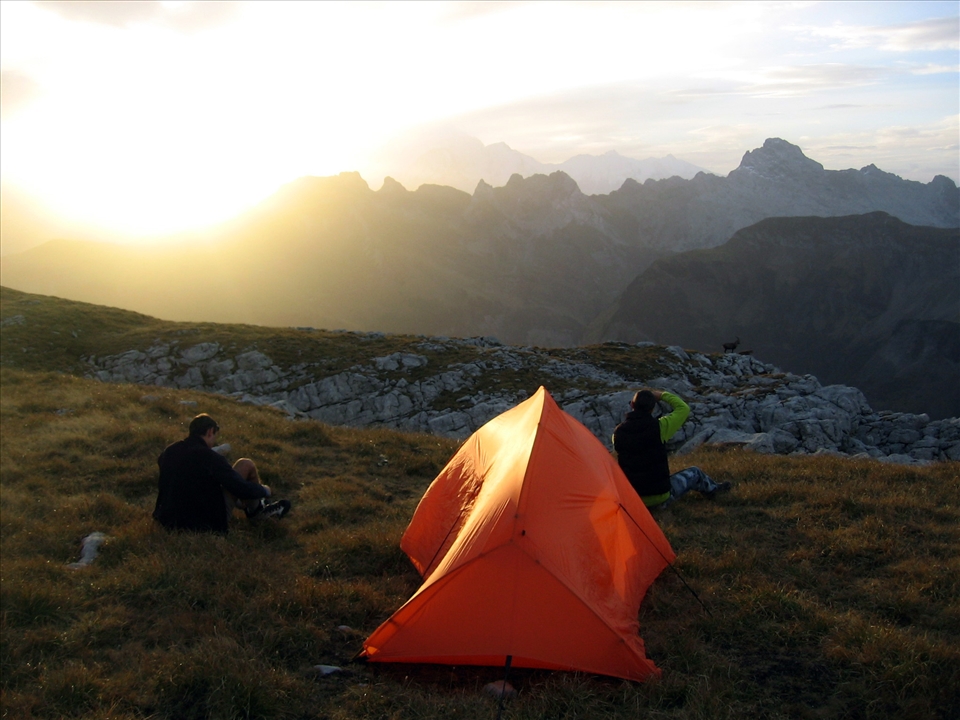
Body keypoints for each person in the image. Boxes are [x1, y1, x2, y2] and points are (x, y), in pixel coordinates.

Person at [153, 414, 291, 533]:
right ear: (210, 432)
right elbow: (240, 487)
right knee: (246, 464)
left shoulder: (169, 451)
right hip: (203, 524)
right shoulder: (209, 457)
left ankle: (257, 509)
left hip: (166, 519)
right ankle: (258, 513)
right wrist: (264, 490)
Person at [613, 389, 731, 509]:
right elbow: (683, 408)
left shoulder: (618, 433)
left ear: (632, 405)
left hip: (632, 499)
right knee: (695, 473)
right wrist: (662, 395)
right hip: (660, 496)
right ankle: (714, 490)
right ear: (653, 408)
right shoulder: (660, 427)